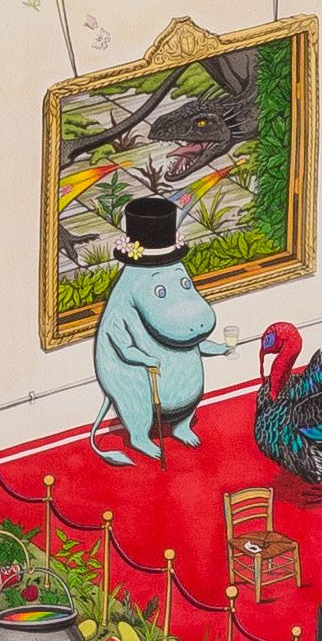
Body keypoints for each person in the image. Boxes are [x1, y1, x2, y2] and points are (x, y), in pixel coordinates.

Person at [89, 192, 217, 461]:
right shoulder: (125, 297)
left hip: (177, 386)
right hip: (138, 376)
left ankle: (181, 425)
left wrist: (217, 347)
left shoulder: (175, 271)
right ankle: (139, 436)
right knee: (134, 392)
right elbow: (120, 343)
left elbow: (193, 337)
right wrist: (143, 358)